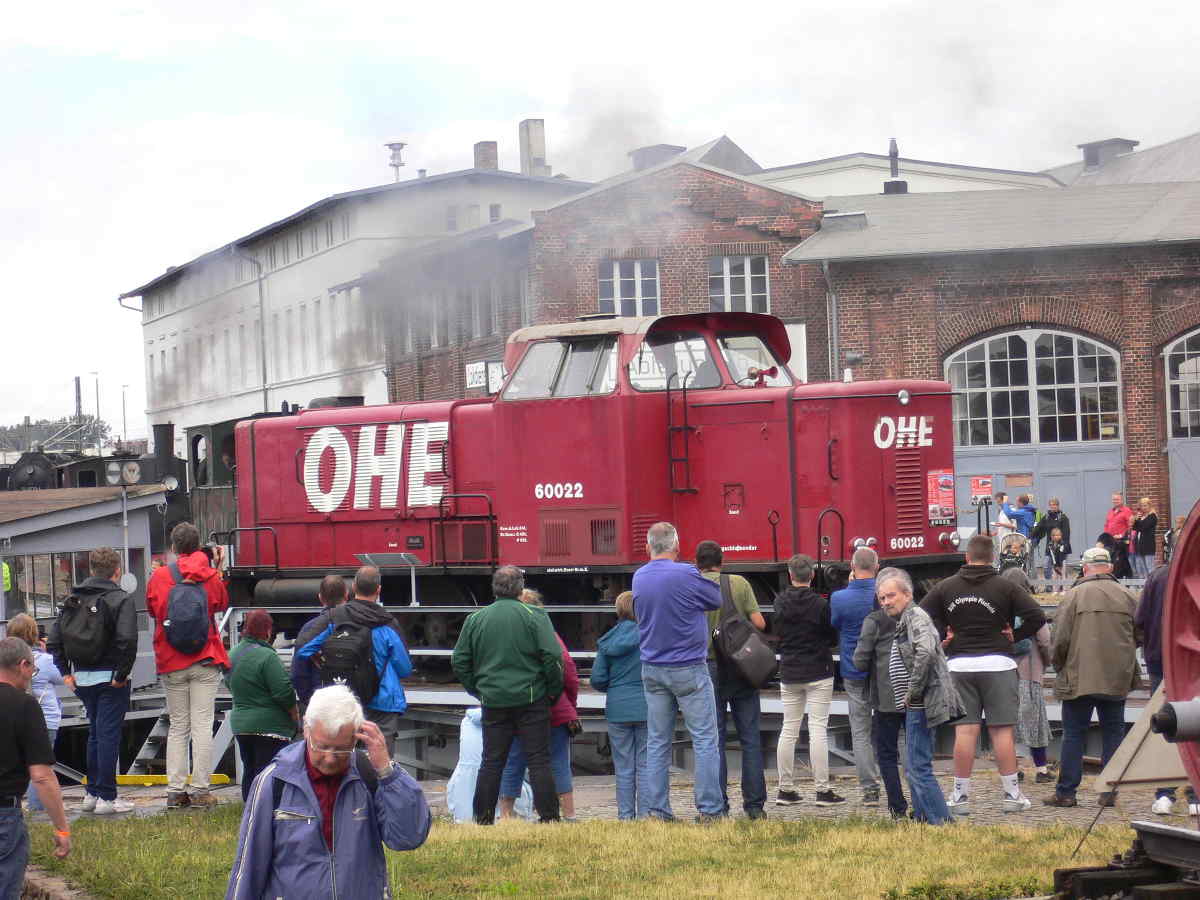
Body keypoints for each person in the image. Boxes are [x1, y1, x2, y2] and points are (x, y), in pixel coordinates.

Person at [225, 684, 430, 900]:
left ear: (356, 738)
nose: (330, 758)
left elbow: (408, 837)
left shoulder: (368, 775)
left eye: (341, 749)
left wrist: (387, 772)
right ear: (306, 729)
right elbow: (249, 866)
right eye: (322, 746)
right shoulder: (274, 781)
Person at [920, 533, 1045, 815]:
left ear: (967, 557)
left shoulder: (945, 587)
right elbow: (1037, 616)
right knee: (1002, 732)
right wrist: (1014, 637)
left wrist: (943, 636)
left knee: (965, 731)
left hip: (959, 665)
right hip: (999, 663)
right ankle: (1012, 795)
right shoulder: (1006, 587)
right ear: (993, 558)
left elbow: (921, 615)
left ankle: (960, 797)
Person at [451, 565, 563, 824]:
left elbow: (459, 660)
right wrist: (551, 691)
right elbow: (553, 656)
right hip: (532, 697)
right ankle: (549, 817)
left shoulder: (476, 619)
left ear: (494, 588)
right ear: (520, 588)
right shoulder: (535, 616)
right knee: (539, 759)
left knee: (491, 761)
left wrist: (477, 689)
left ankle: (483, 818)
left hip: (493, 699)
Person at [632, 521, 724, 822]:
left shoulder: (638, 577)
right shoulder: (686, 573)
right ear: (677, 547)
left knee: (658, 741)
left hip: (652, 668)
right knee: (705, 739)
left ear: (647, 547)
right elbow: (715, 599)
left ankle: (658, 810)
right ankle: (709, 810)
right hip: (689, 667)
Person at [1045, 547, 1140, 808]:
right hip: (1117, 677)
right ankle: (1108, 792)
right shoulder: (1128, 596)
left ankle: (1066, 793)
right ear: (1110, 568)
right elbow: (1140, 634)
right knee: (1114, 733)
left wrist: (1061, 666)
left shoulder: (1074, 595)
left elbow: (1059, 639)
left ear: (1085, 568)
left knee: (1074, 734)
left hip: (1079, 676)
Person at [47, 546, 138, 815]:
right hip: (111, 678)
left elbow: (54, 641)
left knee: (95, 735)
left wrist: (66, 673)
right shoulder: (120, 599)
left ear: (92, 569)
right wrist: (121, 675)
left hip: (82, 678)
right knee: (108, 735)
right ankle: (107, 798)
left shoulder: (73, 599)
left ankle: (92, 793)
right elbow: (127, 640)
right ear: (117, 571)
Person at [146, 522, 231, 809]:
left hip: (171, 660)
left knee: (178, 726)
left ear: (173, 547)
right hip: (205, 657)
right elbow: (221, 604)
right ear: (197, 546)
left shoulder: (159, 576)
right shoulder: (210, 576)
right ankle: (200, 790)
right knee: (202, 725)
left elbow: (154, 611)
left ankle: (175, 791)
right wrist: (218, 569)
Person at [296, 566, 412, 758]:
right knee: (380, 762)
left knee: (345, 761)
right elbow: (405, 668)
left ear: (353, 587)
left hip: (345, 699)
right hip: (382, 704)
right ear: (378, 590)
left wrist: (319, 657)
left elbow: (303, 648)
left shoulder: (335, 617)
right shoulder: (387, 623)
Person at [876, 568, 961, 825]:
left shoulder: (915, 617)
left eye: (891, 596)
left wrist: (912, 690)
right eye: (882, 598)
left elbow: (925, 653)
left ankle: (940, 822)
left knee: (918, 767)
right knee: (914, 765)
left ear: (907, 594)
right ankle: (924, 817)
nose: (886, 602)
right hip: (916, 701)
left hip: (921, 701)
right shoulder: (907, 619)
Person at [697, 540, 768, 819]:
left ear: (697, 564)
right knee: (750, 738)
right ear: (722, 561)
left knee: (713, 739)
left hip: (708, 667)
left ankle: (719, 805)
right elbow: (760, 623)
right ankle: (754, 807)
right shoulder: (738, 583)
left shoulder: (692, 585)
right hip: (741, 667)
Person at [498, 589, 579, 822]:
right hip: (554, 708)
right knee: (558, 761)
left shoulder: (506, 638)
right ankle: (569, 814)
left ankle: (505, 815)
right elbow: (568, 670)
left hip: (516, 706)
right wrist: (567, 702)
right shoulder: (549, 634)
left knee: (513, 760)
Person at [0, 637, 70, 896]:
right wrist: (62, 828)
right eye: (33, 669)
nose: (32, 675)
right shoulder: (25, 705)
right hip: (4, 816)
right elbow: (41, 776)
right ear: (23, 665)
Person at [774, 554, 844, 807]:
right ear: (812, 575)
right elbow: (832, 637)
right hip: (818, 670)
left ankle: (785, 788)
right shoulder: (820, 604)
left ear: (790, 575)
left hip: (790, 670)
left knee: (789, 729)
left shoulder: (779, 602)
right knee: (818, 730)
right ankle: (822, 790)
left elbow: (777, 633)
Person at [1137, 560, 1199, 814]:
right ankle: (1195, 795)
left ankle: (1164, 794)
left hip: (1161, 659)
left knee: (1165, 725)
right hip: (1193, 664)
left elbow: (1140, 619)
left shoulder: (1158, 577)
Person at [228, 610, 299, 802]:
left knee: (250, 770)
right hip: (270, 726)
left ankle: (250, 809)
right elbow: (283, 691)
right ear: (267, 631)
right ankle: (267, 810)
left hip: (241, 725)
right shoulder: (268, 656)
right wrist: (294, 713)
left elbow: (229, 682)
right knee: (268, 773)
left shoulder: (233, 654)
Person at [829, 547, 882, 805]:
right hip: (882, 670)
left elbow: (835, 624)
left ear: (852, 567)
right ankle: (908, 781)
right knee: (896, 728)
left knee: (860, 731)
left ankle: (870, 789)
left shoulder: (839, 598)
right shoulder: (884, 594)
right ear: (877, 567)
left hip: (853, 668)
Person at [591, 590, 649, 820]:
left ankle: (625, 817)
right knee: (645, 764)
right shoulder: (650, 636)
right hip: (647, 707)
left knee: (624, 767)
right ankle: (646, 816)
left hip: (617, 709)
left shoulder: (608, 641)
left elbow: (597, 679)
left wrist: (614, 688)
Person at [853, 588, 908, 819]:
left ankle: (897, 807)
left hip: (886, 695)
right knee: (915, 750)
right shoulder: (916, 615)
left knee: (886, 754)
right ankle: (923, 802)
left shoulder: (874, 620)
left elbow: (860, 660)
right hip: (915, 693)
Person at [1000, 569, 1054, 783]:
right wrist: (1046, 661)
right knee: (1036, 723)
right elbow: (1045, 639)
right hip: (1029, 672)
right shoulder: (1030, 608)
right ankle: (1041, 770)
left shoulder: (997, 608)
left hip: (1003, 675)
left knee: (1006, 724)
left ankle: (1013, 769)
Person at [6, 615, 63, 813]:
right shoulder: (44, 660)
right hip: (45, 717)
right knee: (41, 766)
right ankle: (37, 808)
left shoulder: (7, 662)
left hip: (14, 717)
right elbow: (61, 678)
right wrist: (47, 652)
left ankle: (20, 805)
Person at [290, 574, 348, 712]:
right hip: (351, 701)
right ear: (346, 595)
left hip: (321, 702)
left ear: (320, 597)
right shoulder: (359, 625)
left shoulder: (309, 629)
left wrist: (310, 701)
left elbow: (298, 673)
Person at [1031, 497, 1072, 580]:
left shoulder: (1063, 518)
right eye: (1051, 505)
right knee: (1046, 566)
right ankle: (1049, 584)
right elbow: (1038, 528)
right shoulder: (1046, 517)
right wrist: (1030, 536)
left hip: (1061, 547)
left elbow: (1066, 534)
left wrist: (1064, 546)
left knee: (1061, 569)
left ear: (1058, 506)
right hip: (1050, 546)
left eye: (1055, 505)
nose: (1053, 506)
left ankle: (1062, 585)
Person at [1103, 492, 1135, 579]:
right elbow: (1106, 525)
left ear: (1122, 500)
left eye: (1117, 499)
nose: (1115, 501)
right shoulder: (1110, 511)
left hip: (1121, 543)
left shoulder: (1127, 511)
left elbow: (1131, 526)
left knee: (1122, 563)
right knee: (1112, 563)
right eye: (1114, 499)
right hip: (1110, 542)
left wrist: (1122, 535)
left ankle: (1129, 580)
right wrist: (1105, 538)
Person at [1131, 498, 1159, 578]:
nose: (1143, 508)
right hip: (1140, 546)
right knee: (1143, 570)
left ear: (1150, 506)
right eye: (1142, 506)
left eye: (1145, 505)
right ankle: (1146, 584)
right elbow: (1135, 528)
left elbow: (1143, 527)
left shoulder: (1152, 516)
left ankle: (1152, 583)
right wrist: (1137, 519)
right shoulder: (1142, 517)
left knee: (1150, 569)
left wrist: (1138, 520)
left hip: (1148, 546)